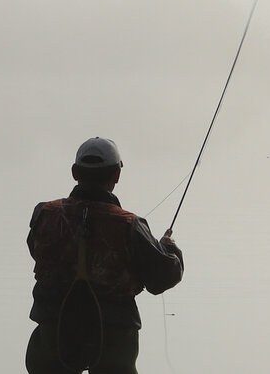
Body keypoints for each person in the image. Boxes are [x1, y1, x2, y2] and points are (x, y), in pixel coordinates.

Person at [26, 137, 184, 374]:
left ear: (74, 172)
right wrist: (169, 248)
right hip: (115, 334)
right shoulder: (130, 225)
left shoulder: (44, 214)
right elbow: (162, 278)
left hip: (52, 328)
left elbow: (35, 251)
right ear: (117, 175)